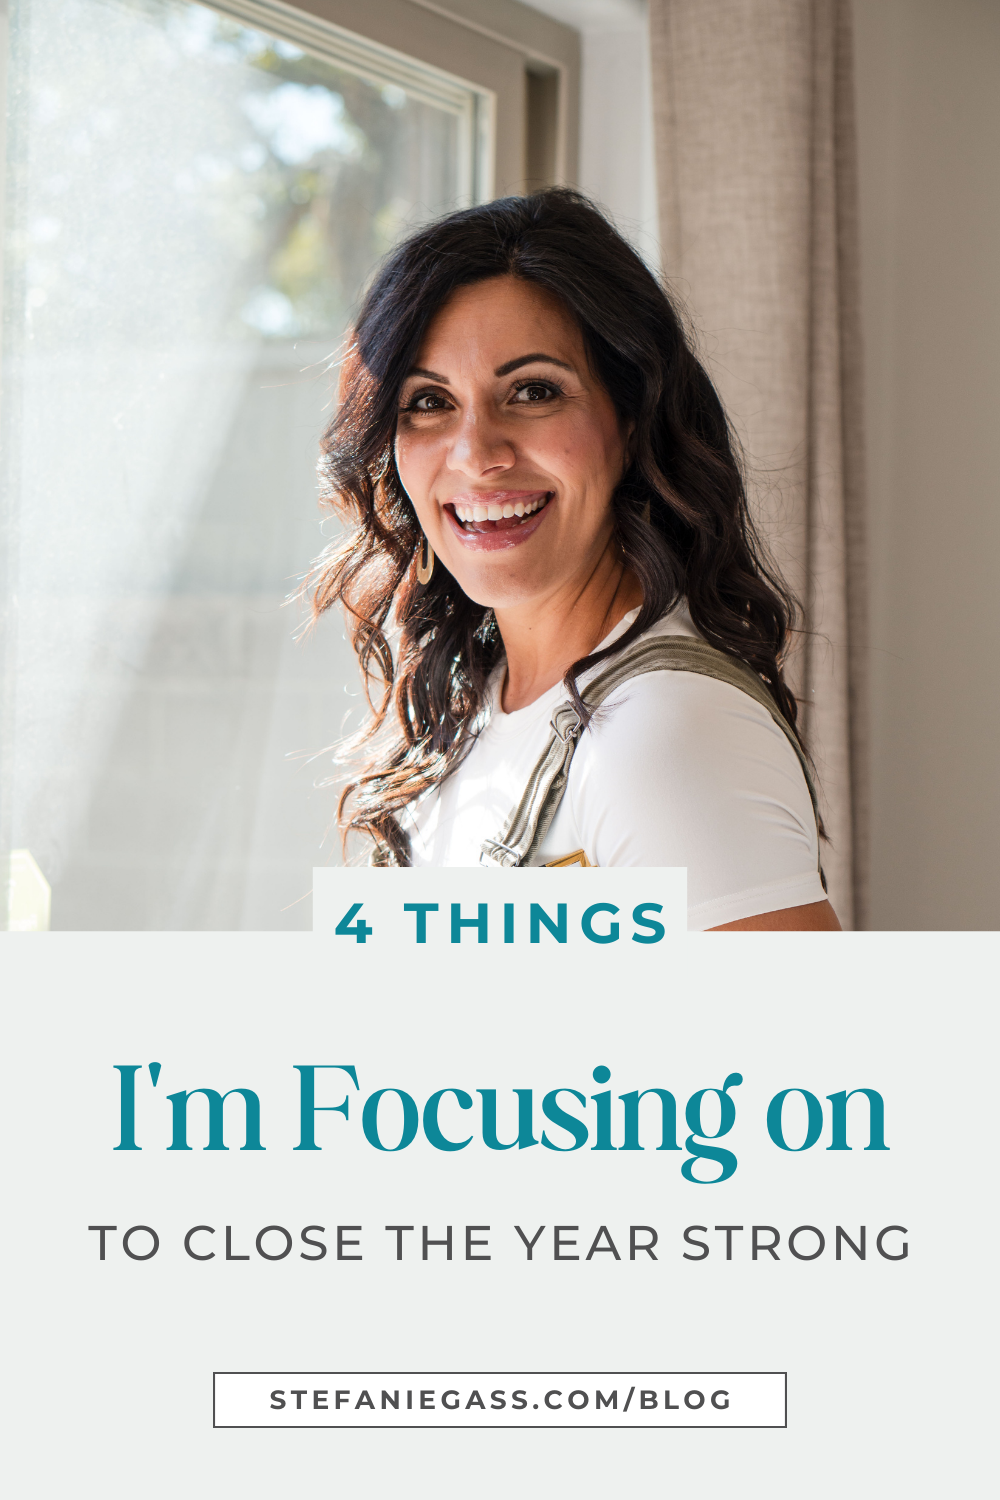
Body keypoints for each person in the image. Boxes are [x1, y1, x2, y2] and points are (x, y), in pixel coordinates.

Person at [308, 189, 840, 932]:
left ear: (630, 422)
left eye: (532, 391)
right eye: (427, 402)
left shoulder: (663, 733)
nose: (477, 455)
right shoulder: (470, 708)